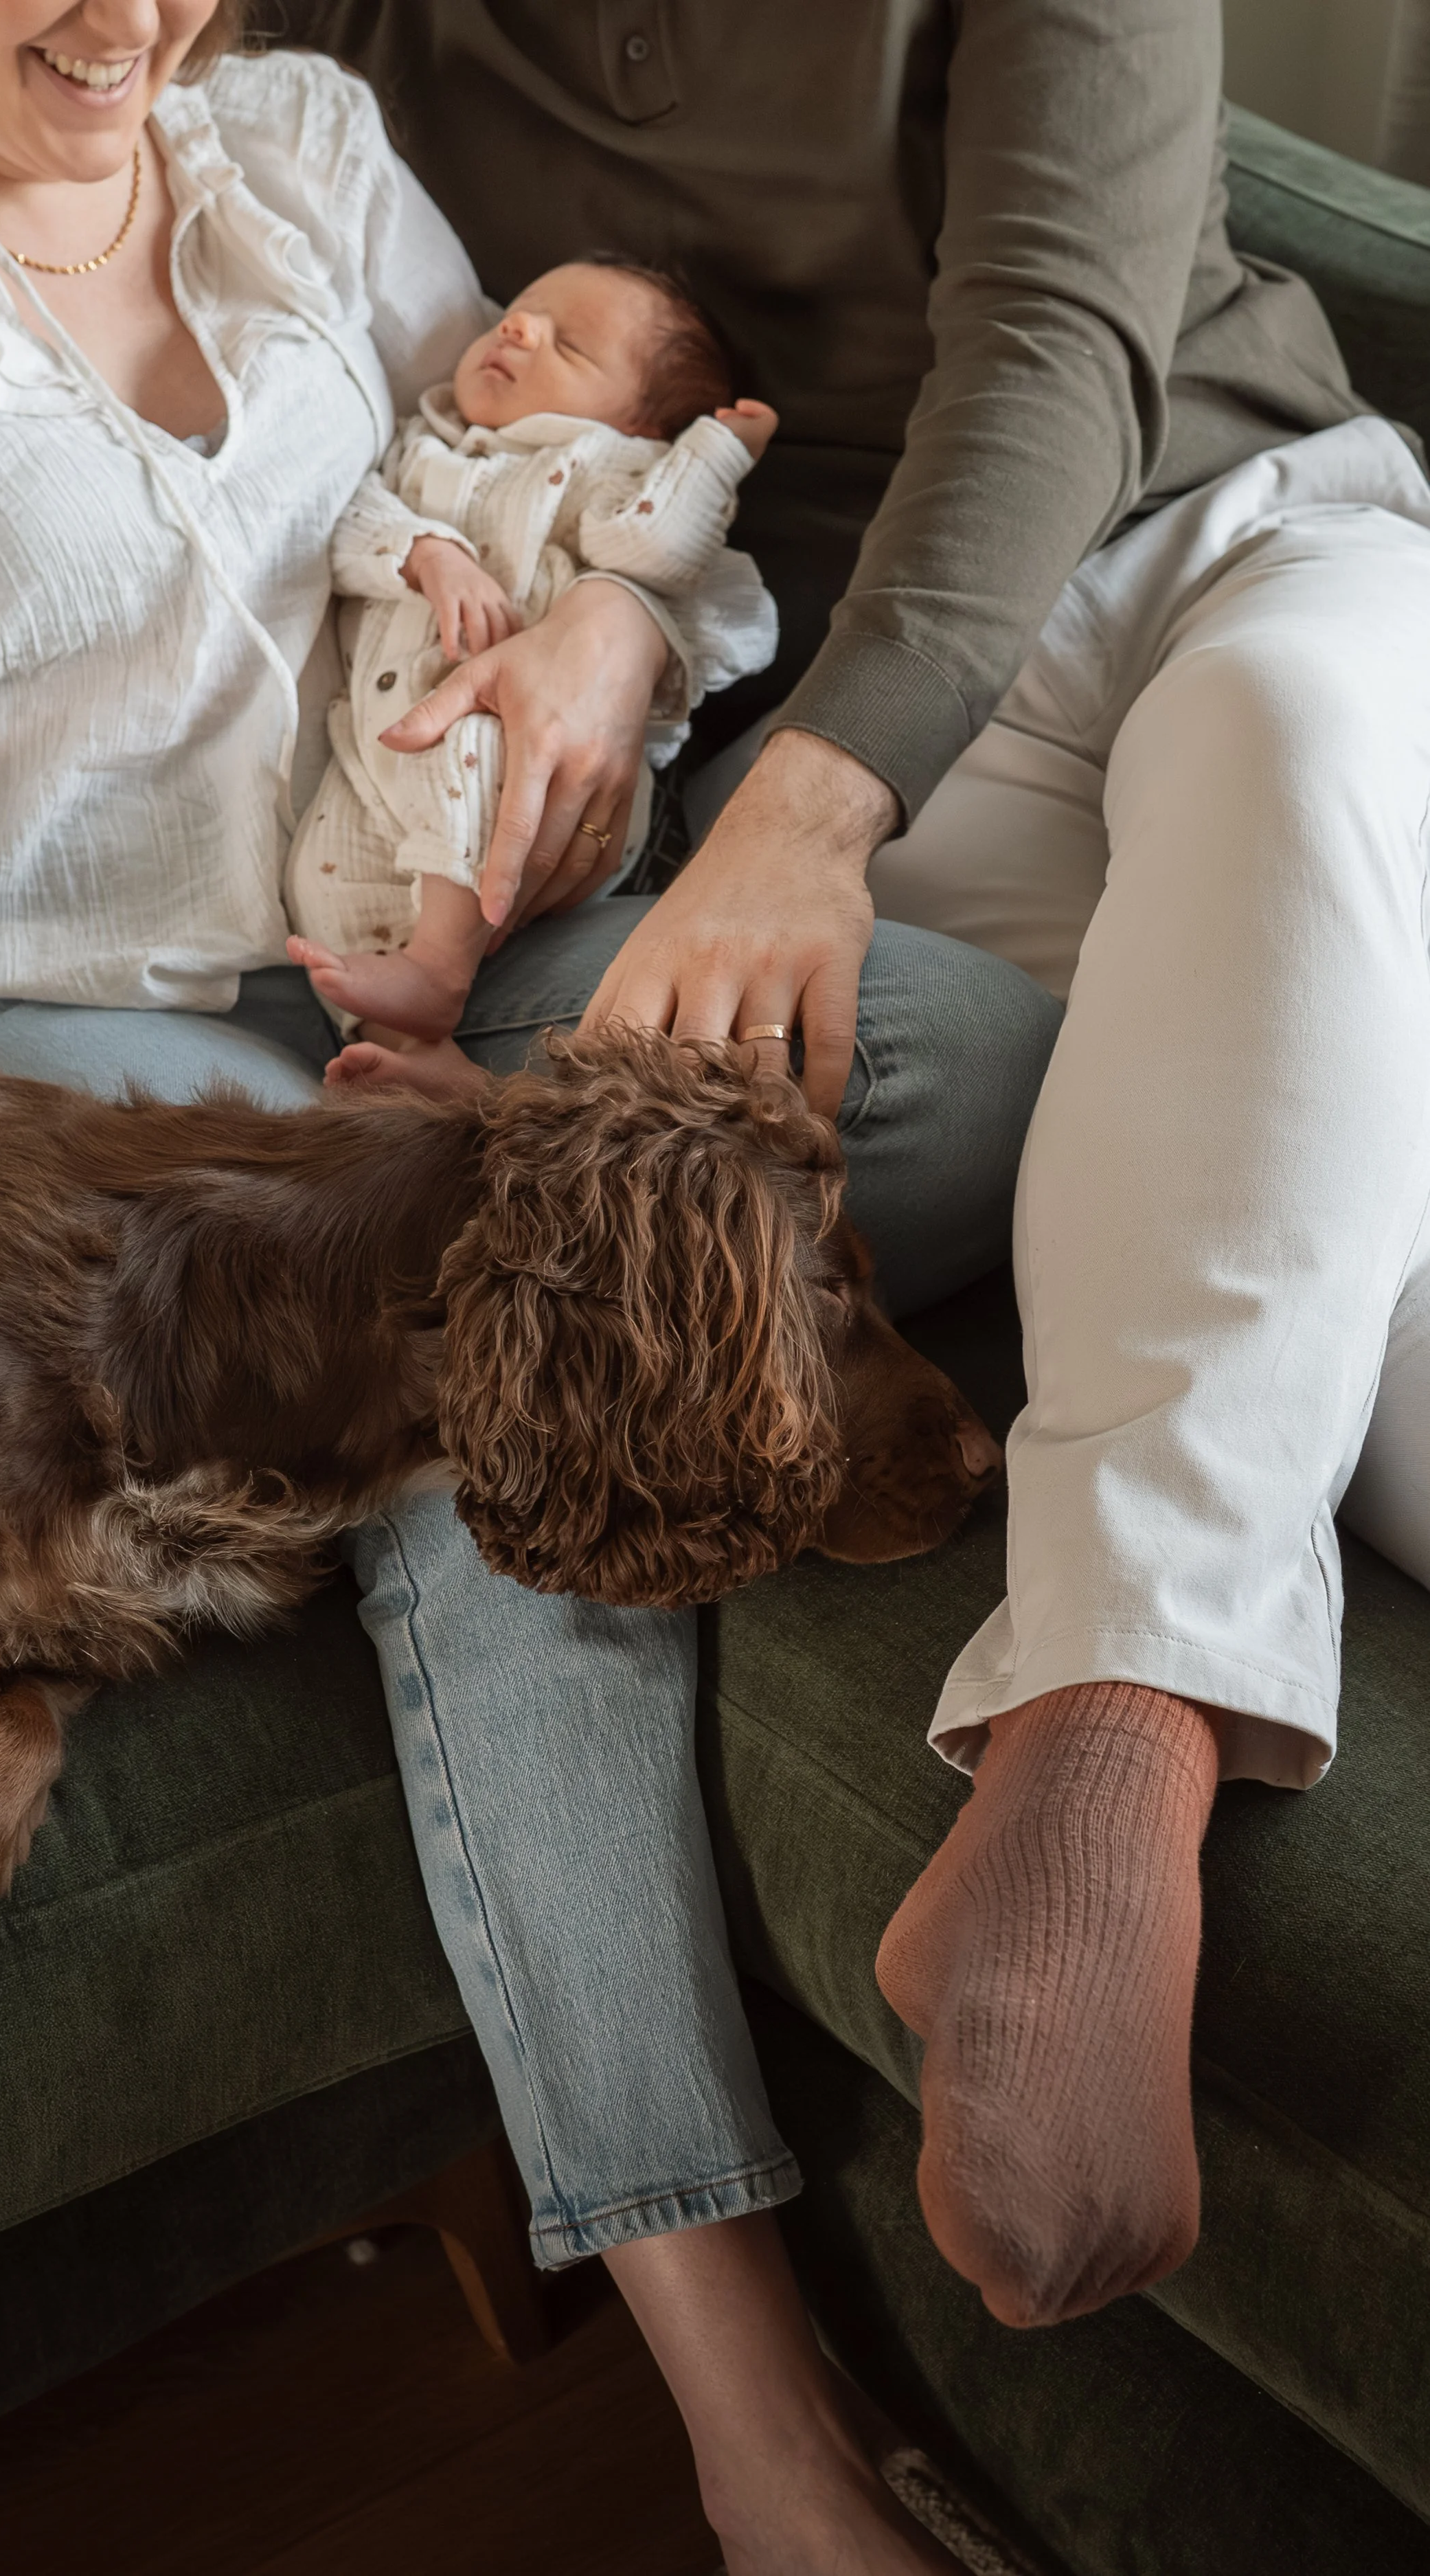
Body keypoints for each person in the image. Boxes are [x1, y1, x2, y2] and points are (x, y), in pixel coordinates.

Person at [0, 7, 1058, 2571]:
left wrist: (611, 659)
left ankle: (550, 1260)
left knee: (985, 1056)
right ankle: (759, 2428)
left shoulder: (299, 146)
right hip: (41, 1027)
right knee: (491, 1462)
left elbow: (581, 485)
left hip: (414, 956)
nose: (125, 21)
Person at [287, 0, 1430, 2337]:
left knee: (1301, 742)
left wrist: (810, 809)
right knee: (1357, 1296)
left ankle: (1108, 1735)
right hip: (888, 735)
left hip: (1225, 539)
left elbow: (1059, 334)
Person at [284, 256, 779, 1090]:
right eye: (517, 312)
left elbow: (651, 551)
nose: (517, 327)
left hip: (528, 756)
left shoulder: (605, 466)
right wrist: (426, 553)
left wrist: (715, 454)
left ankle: (439, 971)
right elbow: (353, 527)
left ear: (641, 424)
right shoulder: (423, 445)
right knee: (323, 875)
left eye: (569, 345)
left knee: (471, 745)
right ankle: (416, 1061)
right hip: (378, 753)